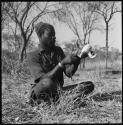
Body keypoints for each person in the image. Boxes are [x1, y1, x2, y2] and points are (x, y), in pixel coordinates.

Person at [27, 22, 94, 106]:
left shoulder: (58, 50)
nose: (54, 37)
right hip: (40, 92)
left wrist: (78, 57)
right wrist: (61, 63)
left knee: (88, 85)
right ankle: (60, 99)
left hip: (58, 90)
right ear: (40, 36)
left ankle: (58, 99)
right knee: (47, 82)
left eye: (54, 35)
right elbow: (43, 79)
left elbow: (69, 73)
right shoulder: (32, 55)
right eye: (50, 35)